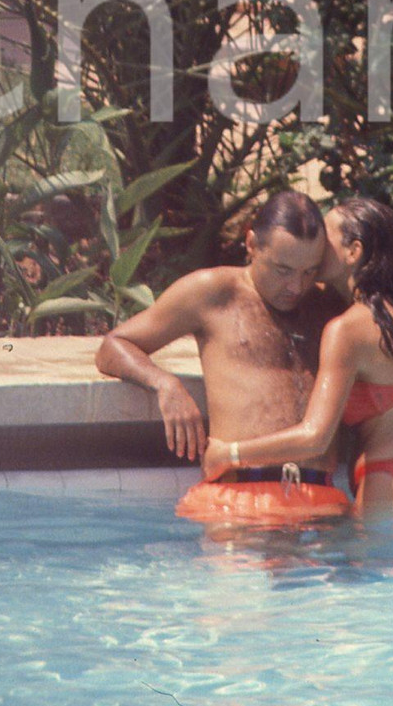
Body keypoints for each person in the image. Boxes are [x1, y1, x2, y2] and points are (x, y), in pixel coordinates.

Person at [202, 197, 393, 518]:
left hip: (391, 486)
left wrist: (229, 454)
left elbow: (315, 438)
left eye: (325, 237)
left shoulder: (347, 330)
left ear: (353, 251)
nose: (316, 246)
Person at [95, 191, 353, 523]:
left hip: (322, 498)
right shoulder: (213, 292)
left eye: (309, 271)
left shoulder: (329, 306)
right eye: (283, 269)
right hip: (237, 498)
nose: (295, 286)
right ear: (251, 245)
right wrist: (165, 385)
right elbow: (114, 346)